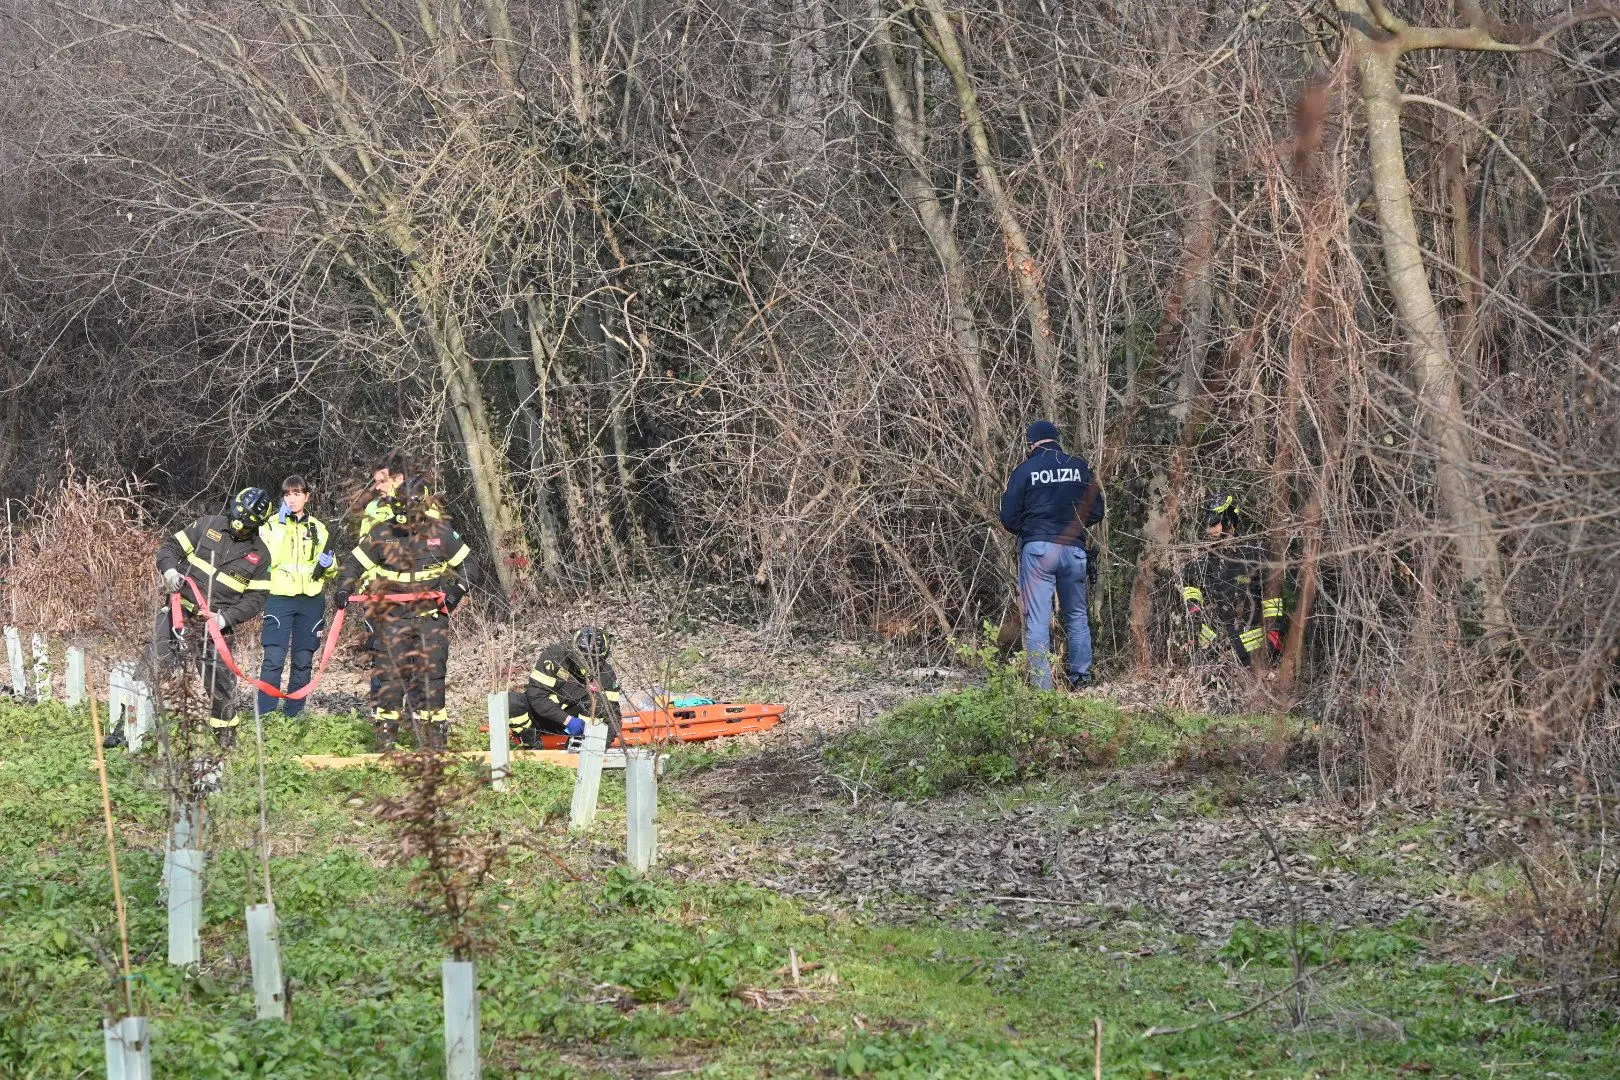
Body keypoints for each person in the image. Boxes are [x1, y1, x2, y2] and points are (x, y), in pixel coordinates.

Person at [332, 478, 477, 751]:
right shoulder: (381, 533)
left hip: (430, 619)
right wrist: (343, 588)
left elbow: (470, 564)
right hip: (392, 619)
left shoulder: (441, 534)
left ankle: (435, 742)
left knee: (431, 678)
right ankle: (386, 741)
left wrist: (456, 592)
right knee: (390, 679)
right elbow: (353, 564)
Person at [134, 487, 275, 748]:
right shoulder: (208, 524)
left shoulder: (260, 556)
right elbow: (171, 548)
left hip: (216, 626)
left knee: (220, 685)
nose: (238, 525)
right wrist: (170, 573)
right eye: (237, 517)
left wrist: (225, 619)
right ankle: (127, 727)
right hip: (180, 612)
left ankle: (226, 743)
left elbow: (256, 599)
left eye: (246, 524)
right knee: (152, 665)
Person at [998, 419, 1105, 690]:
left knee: (1038, 621)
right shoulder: (1080, 467)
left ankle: (1042, 688)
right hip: (1074, 550)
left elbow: (1008, 517)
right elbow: (1097, 511)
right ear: (1056, 439)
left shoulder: (1024, 471)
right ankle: (1082, 680)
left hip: (1038, 551)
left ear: (1031, 443)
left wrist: (1033, 529)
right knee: (1078, 616)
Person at [256, 475, 336, 718]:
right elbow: (269, 559)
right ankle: (266, 714)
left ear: (307, 496)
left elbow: (331, 569)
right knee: (273, 658)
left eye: (297, 494)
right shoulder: (270, 526)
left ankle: (295, 713)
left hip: (311, 599)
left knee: (303, 659)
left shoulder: (318, 528)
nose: (292, 499)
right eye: (288, 494)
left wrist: (330, 563)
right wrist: (282, 527)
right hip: (279, 598)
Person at [1181, 493, 1285, 668]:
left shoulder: (1254, 553)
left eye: (1214, 524)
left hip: (1253, 649)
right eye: (1208, 525)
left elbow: (1272, 595)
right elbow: (1191, 586)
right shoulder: (1203, 558)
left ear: (1229, 522)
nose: (1210, 530)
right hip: (1213, 651)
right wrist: (1195, 611)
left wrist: (1274, 633)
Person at [506, 626, 624, 748]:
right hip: (541, 716)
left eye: (592, 659)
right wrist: (568, 720)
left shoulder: (606, 675)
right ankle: (530, 742)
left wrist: (598, 748)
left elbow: (613, 716)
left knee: (598, 703)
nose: (586, 663)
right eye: (581, 658)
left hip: (575, 725)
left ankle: (578, 746)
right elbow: (536, 696)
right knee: (511, 702)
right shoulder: (554, 656)